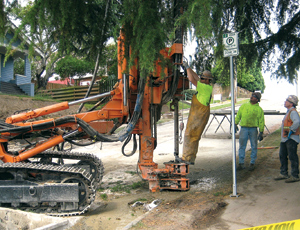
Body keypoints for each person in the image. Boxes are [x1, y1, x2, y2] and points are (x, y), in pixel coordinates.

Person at [178, 61, 213, 165]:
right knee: (194, 136)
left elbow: (192, 79)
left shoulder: (204, 87)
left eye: (203, 78)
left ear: (207, 80)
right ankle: (190, 158)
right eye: (201, 78)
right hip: (200, 113)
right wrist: (188, 69)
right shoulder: (205, 86)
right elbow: (196, 77)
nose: (201, 79)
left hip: (199, 114)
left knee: (190, 135)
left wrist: (187, 67)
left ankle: (186, 158)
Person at [235, 92, 265, 171]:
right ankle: (241, 163)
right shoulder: (244, 106)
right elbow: (238, 115)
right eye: (252, 96)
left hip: (253, 129)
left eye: (254, 96)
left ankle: (252, 162)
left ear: (257, 100)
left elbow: (261, 121)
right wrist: (235, 123)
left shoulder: (259, 109)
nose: (252, 97)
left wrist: (261, 132)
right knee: (242, 146)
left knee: (254, 146)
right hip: (244, 128)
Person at [274, 95, 300, 183]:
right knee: (283, 156)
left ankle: (295, 175)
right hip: (286, 138)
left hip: (291, 139)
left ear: (291, 103)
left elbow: (297, 122)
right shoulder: (289, 112)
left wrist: (291, 130)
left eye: (287, 101)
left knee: (292, 157)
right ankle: (284, 173)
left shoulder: (293, 112)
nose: (285, 102)